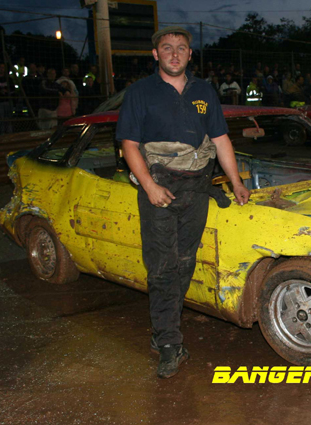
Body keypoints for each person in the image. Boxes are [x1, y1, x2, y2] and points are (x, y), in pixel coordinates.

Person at [116, 26, 250, 379]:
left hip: (196, 189)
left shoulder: (204, 91)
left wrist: (236, 182)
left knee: (185, 262)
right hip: (159, 188)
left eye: (181, 48)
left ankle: (163, 332)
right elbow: (128, 145)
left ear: (190, 55)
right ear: (155, 54)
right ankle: (169, 343)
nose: (174, 53)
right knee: (161, 266)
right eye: (166, 48)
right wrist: (148, 186)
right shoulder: (140, 93)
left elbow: (221, 141)